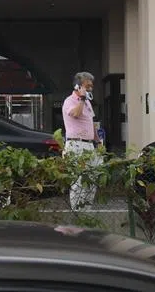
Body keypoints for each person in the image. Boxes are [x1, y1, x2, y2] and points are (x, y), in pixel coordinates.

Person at [61, 71, 102, 210]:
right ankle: (77, 213)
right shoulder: (69, 101)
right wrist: (82, 99)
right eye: (87, 86)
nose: (90, 88)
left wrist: (98, 141)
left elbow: (91, 122)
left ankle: (86, 212)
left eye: (91, 86)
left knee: (92, 179)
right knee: (78, 181)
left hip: (89, 145)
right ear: (78, 86)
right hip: (76, 144)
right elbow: (76, 114)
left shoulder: (88, 103)